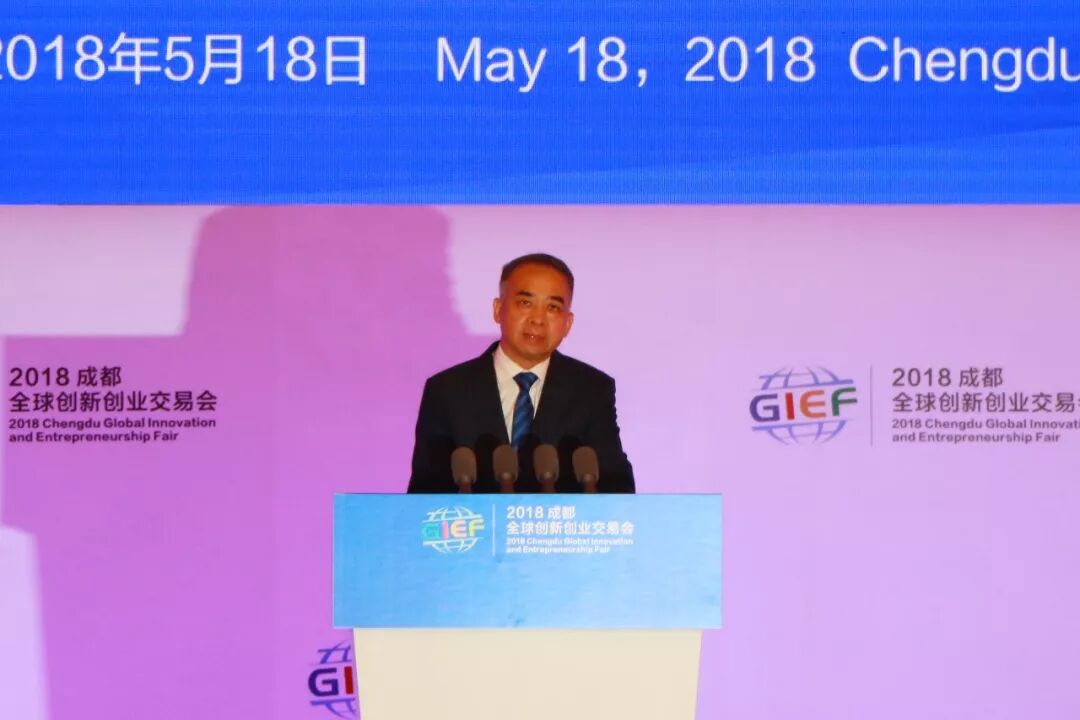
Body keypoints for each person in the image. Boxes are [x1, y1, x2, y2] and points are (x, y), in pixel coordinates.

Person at [407, 253, 635, 493]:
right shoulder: (447, 391)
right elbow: (424, 494)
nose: (538, 319)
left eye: (552, 307)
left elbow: (616, 487)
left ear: (567, 323)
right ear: (498, 310)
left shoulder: (591, 390)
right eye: (526, 303)